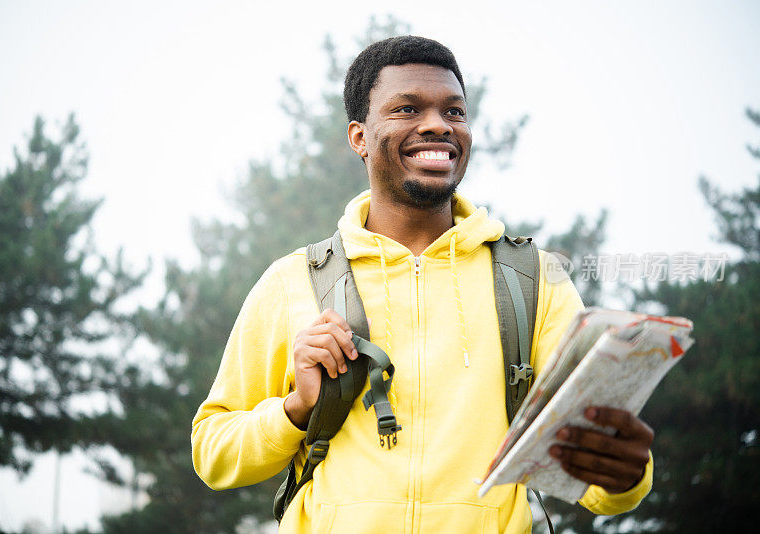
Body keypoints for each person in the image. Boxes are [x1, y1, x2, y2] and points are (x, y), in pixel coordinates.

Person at [192, 35, 654, 533]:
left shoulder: (534, 280)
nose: (437, 125)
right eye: (407, 108)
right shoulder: (294, 281)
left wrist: (625, 477)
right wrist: (297, 408)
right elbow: (213, 453)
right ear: (359, 137)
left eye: (454, 112)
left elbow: (596, 479)